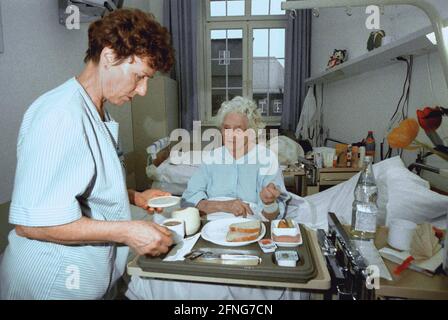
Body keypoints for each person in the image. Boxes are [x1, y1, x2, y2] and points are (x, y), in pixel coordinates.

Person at [0, 9, 175, 300]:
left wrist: (133, 197)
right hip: (49, 284)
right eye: (139, 77)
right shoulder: (60, 115)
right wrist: (128, 231)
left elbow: (77, 188)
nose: (143, 90)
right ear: (109, 57)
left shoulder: (94, 111)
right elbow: (32, 223)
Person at [126, 97, 308, 300]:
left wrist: (269, 202)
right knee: (174, 276)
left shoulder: (266, 159)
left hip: (252, 230)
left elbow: (275, 216)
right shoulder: (212, 158)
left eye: (238, 128)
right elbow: (189, 199)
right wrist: (224, 205)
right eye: (226, 128)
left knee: (247, 281)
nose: (230, 134)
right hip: (211, 228)